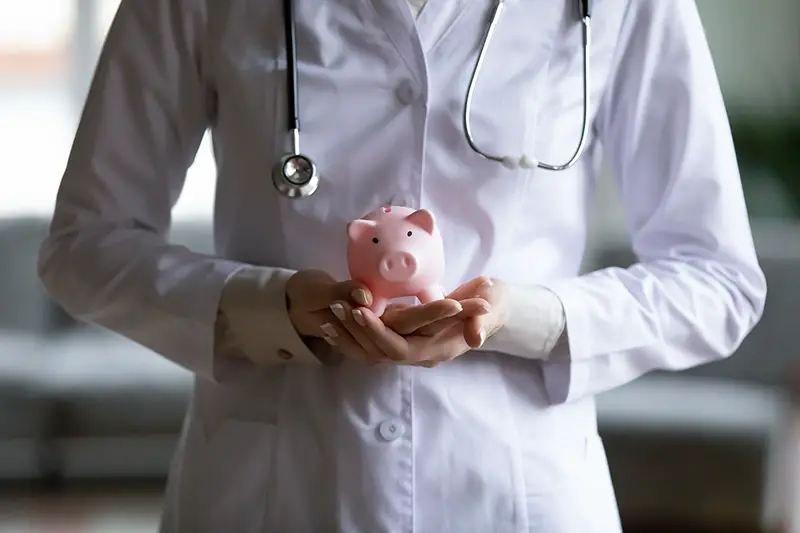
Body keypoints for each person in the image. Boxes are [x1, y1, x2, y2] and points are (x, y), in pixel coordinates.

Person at [38, 0, 767, 531]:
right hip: (271, 495)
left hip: (518, 498)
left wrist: (519, 317)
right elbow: (83, 245)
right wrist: (270, 308)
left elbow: (717, 278)